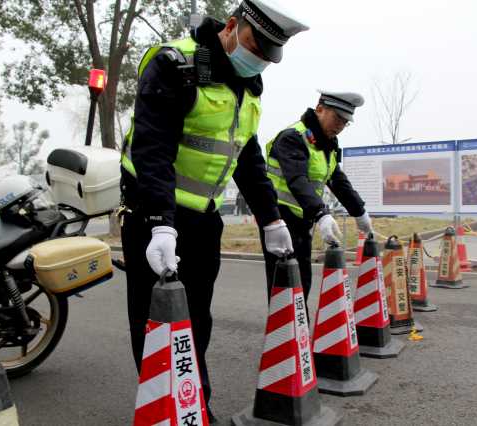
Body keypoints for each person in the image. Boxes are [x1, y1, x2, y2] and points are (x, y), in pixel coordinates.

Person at [119, 1, 308, 422]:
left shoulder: (247, 85)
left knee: (197, 318)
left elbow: (247, 158)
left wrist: (271, 219)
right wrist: (160, 225)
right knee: (153, 322)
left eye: (266, 57)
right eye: (255, 48)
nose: (258, 60)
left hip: (204, 220)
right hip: (153, 215)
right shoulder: (176, 65)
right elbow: (152, 151)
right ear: (232, 27)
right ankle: (171, 410)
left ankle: (191, 402)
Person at [262, 91, 373, 303]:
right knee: (284, 282)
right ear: (320, 109)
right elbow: (297, 179)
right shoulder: (293, 137)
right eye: (337, 118)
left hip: (303, 221)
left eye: (345, 122)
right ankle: (286, 334)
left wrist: (360, 212)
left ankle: (300, 332)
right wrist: (321, 213)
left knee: (302, 280)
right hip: (279, 220)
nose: (340, 125)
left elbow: (337, 180)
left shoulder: (326, 143)